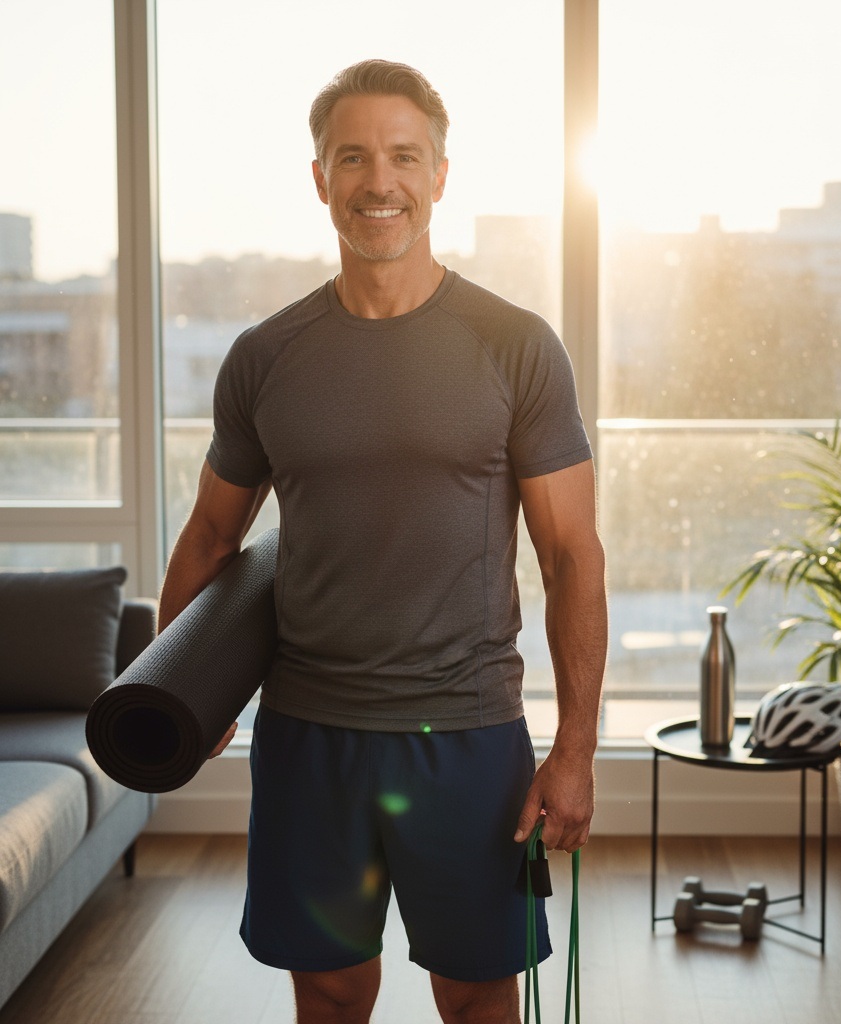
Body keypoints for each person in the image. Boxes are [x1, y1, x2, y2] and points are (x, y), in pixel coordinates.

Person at [158, 59, 607, 1024]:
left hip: (467, 734)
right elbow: (209, 533)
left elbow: (572, 554)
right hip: (309, 736)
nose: (379, 181)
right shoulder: (265, 356)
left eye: (404, 156)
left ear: (440, 174)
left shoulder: (516, 344)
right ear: (319, 176)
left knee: (478, 989)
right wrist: (179, 695)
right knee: (326, 986)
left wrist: (575, 747)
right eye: (352, 156)